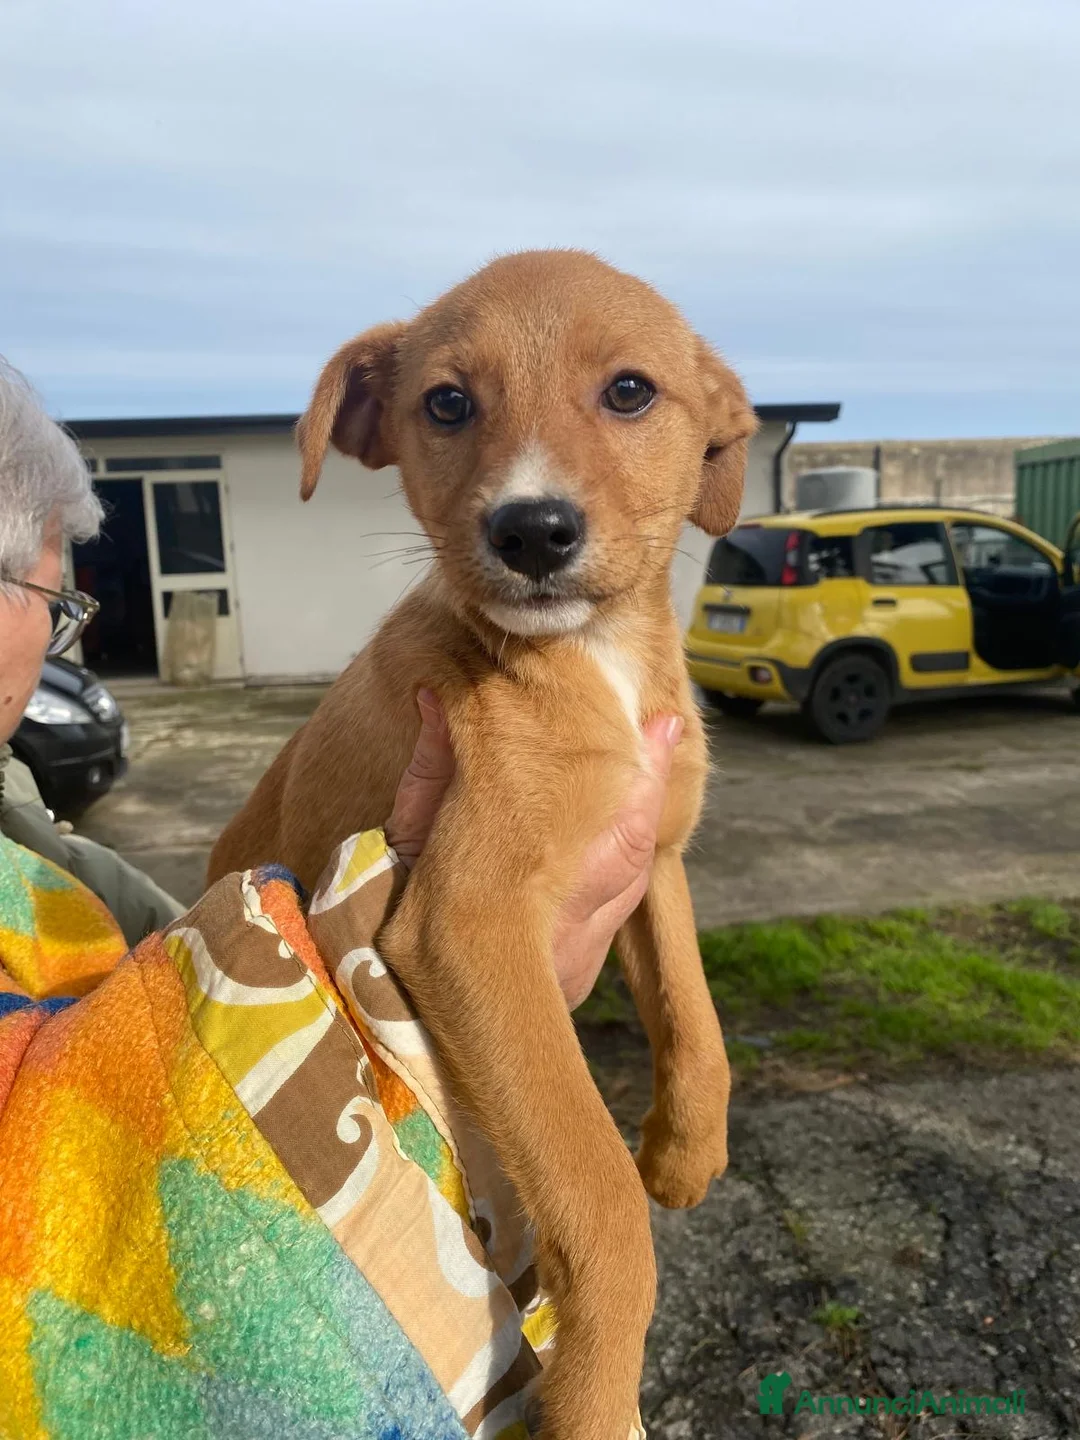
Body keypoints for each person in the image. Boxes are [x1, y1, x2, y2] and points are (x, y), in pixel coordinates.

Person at [0, 358, 681, 1439]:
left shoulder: (21, 819)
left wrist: (689, 1068)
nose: (53, 648)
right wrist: (422, 995)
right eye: (53, 602)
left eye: (61, 607)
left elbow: (168, 952)